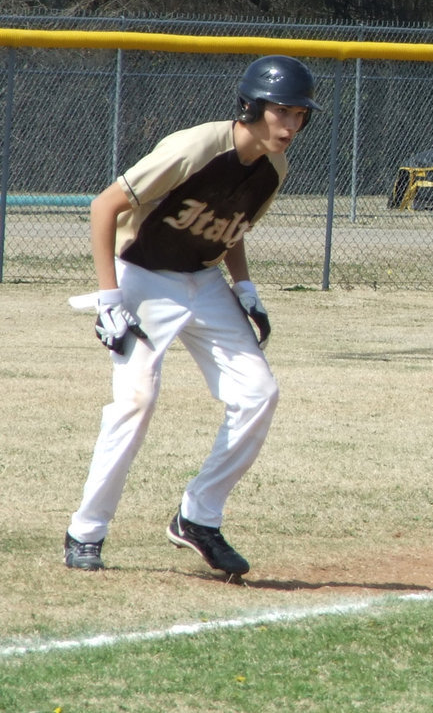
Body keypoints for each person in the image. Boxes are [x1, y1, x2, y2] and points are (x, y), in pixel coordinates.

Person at [63, 55, 320, 578]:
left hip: (203, 281)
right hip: (140, 273)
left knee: (257, 393)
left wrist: (244, 288)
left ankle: (197, 517)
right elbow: (103, 207)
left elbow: (231, 227)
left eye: (299, 114)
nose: (291, 125)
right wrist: (109, 298)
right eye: (281, 112)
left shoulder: (275, 169)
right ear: (251, 107)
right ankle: (85, 531)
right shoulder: (194, 147)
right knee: (136, 401)